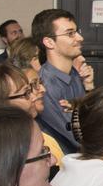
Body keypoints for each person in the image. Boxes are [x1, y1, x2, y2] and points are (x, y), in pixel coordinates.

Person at [0, 61, 64, 167]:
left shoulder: (31, 133)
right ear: (0, 102)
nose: (33, 97)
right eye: (26, 93)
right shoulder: (4, 148)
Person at [31, 8, 94, 155]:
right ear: (49, 42)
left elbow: (91, 117)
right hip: (63, 161)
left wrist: (89, 86)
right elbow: (79, 137)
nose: (80, 38)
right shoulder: (45, 85)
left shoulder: (74, 74)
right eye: (70, 33)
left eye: (76, 32)